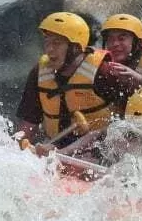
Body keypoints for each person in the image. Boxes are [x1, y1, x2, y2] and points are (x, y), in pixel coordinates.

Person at [14, 12, 117, 156]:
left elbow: (124, 124)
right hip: (54, 147)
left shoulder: (104, 71)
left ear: (75, 48)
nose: (49, 49)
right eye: (47, 42)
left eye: (56, 43)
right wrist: (18, 149)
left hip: (100, 150)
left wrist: (64, 153)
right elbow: (29, 124)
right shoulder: (39, 72)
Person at [95, 13, 142, 112]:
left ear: (138, 43)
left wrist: (140, 80)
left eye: (122, 38)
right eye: (110, 39)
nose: (114, 44)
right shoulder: (102, 65)